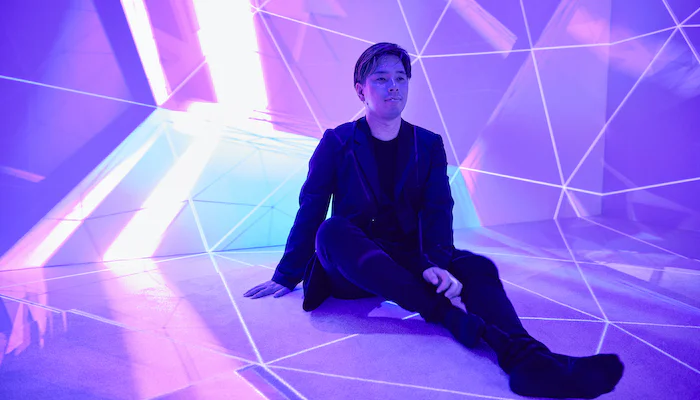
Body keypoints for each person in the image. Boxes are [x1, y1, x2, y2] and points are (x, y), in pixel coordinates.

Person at [244, 42, 623, 399]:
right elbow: (311, 206)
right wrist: (286, 274)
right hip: (354, 266)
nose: (393, 86)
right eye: (381, 79)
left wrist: (435, 263)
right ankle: (445, 315)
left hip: (407, 256)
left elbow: (437, 208)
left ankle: (528, 360)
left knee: (476, 266)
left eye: (400, 78)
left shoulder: (427, 144)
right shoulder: (337, 141)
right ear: (361, 91)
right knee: (332, 230)